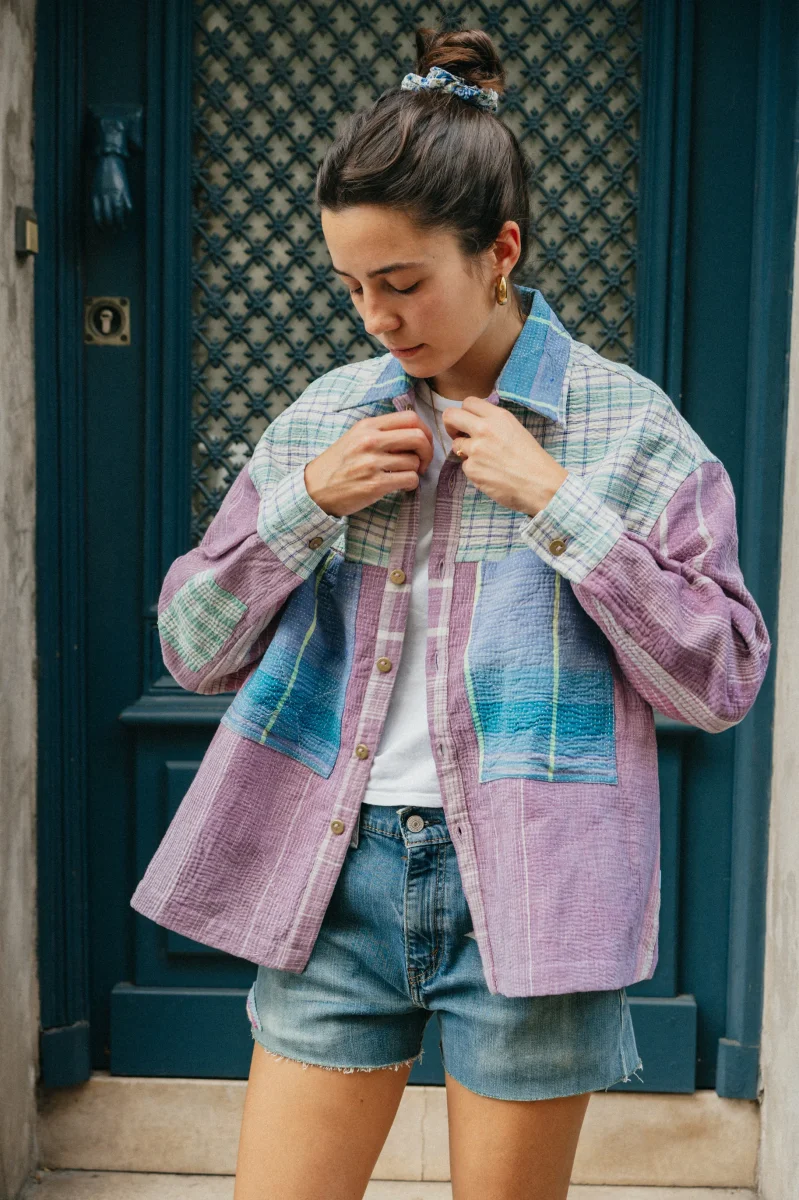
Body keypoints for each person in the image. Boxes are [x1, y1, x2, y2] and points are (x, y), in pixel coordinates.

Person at [130, 26, 772, 1200]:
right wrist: (305, 506)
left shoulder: (628, 430)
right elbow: (190, 648)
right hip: (334, 879)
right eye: (352, 286)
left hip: (530, 883)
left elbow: (722, 680)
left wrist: (559, 506)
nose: (376, 317)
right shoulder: (325, 420)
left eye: (403, 280)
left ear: (500, 250)